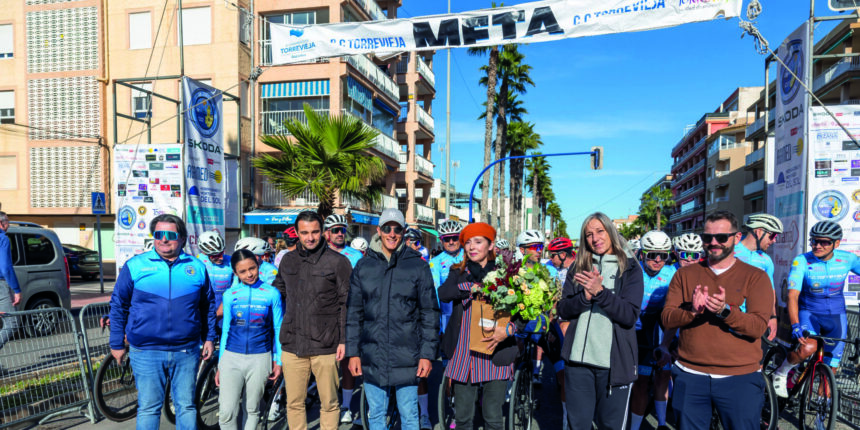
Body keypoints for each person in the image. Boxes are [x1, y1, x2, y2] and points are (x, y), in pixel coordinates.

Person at [662, 210, 772, 429]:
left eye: (721, 237)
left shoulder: (756, 277)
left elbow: (758, 328)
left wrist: (725, 312)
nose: (714, 243)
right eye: (707, 238)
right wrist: (692, 312)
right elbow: (667, 318)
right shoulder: (684, 275)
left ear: (736, 238)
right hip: (690, 375)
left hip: (740, 377)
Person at [109, 214, 216, 429]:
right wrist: (116, 344)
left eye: (170, 235)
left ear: (182, 238)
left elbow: (208, 306)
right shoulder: (135, 265)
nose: (164, 239)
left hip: (186, 350)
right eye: (159, 234)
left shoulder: (197, 267)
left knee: (186, 406)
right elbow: (118, 304)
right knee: (149, 408)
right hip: (146, 351)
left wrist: (209, 338)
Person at [346, 208, 439, 430]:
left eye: (397, 229)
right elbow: (353, 313)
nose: (392, 233)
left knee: (409, 415)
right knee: (376, 415)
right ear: (378, 230)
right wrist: (352, 353)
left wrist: (427, 355)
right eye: (387, 228)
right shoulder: (363, 266)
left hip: (408, 355)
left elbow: (429, 312)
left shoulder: (418, 265)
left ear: (404, 232)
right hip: (372, 355)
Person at [557, 212, 643, 430]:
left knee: (610, 426)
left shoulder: (631, 268)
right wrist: (584, 297)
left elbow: (628, 315)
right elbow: (563, 309)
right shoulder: (578, 267)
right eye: (588, 234)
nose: (595, 238)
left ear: (610, 231)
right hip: (577, 364)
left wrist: (599, 292)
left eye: (599, 231)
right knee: (578, 425)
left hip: (614, 366)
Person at [438, 222, 522, 430]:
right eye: (467, 243)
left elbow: (524, 311)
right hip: (463, 354)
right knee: (464, 418)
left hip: (496, 351)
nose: (472, 247)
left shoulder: (507, 273)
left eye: (478, 242)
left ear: (491, 245)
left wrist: (509, 330)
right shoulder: (458, 272)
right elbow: (444, 293)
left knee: (493, 418)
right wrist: (470, 287)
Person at [273, 211, 352, 430]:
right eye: (305, 233)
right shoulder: (287, 260)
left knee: (329, 403)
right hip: (292, 344)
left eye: (315, 232)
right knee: (295, 403)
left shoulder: (339, 262)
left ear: (323, 233)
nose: (310, 238)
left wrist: (344, 341)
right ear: (296, 233)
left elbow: (347, 304)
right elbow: (277, 293)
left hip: (326, 345)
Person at [771, 220, 860, 398]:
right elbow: (792, 296)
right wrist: (796, 324)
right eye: (814, 241)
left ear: (837, 243)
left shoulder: (847, 259)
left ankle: (822, 412)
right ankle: (781, 372)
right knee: (807, 348)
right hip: (809, 313)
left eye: (824, 242)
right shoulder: (802, 261)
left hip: (836, 316)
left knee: (831, 367)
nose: (817, 245)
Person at [216, 248, 284, 430]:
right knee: (226, 411)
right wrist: (221, 364)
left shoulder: (272, 293)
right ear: (235, 273)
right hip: (231, 357)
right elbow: (226, 331)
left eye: (252, 268)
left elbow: (278, 328)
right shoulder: (230, 295)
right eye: (243, 271)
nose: (249, 274)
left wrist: (278, 361)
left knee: (252, 409)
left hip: (260, 357)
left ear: (258, 266)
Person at [629, 231, 677, 430]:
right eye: (652, 255)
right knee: (641, 381)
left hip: (658, 325)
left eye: (663, 255)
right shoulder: (631, 271)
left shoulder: (672, 274)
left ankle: (662, 424)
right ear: (641, 254)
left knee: (663, 375)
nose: (657, 260)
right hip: (633, 326)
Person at [321, 214, 365, 426]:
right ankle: (328, 404)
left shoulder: (355, 255)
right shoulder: (319, 253)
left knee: (347, 361)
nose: (340, 234)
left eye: (343, 230)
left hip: (349, 313)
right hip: (324, 316)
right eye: (335, 230)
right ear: (326, 233)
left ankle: (346, 405)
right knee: (327, 364)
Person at [422, 219, 464, 429]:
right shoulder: (436, 262)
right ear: (441, 240)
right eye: (447, 239)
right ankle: (456, 409)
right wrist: (436, 326)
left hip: (470, 317)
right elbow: (434, 295)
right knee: (451, 371)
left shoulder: (470, 256)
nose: (451, 242)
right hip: (447, 319)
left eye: (455, 238)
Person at [516, 229, 556, 382]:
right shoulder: (513, 269)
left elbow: (554, 298)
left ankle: (536, 370)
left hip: (540, 317)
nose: (539, 251)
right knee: (516, 345)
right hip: (519, 318)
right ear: (522, 249)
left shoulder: (548, 271)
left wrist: (552, 317)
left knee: (540, 340)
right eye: (534, 247)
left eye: (541, 247)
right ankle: (511, 378)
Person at [734, 213, 783, 340]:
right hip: (730, 317)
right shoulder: (730, 252)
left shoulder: (766, 260)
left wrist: (772, 317)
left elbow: (769, 291)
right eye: (772, 235)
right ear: (759, 232)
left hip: (754, 321)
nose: (774, 240)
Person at [196, 231, 233, 319]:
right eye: (216, 255)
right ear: (205, 252)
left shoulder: (231, 261)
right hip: (205, 309)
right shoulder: (197, 262)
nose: (221, 258)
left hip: (226, 308)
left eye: (222, 253)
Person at [0, 212, 20, 355]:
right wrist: (17, 290)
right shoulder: (3, 239)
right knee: (12, 323)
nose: (9, 224)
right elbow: (6, 267)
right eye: (7, 221)